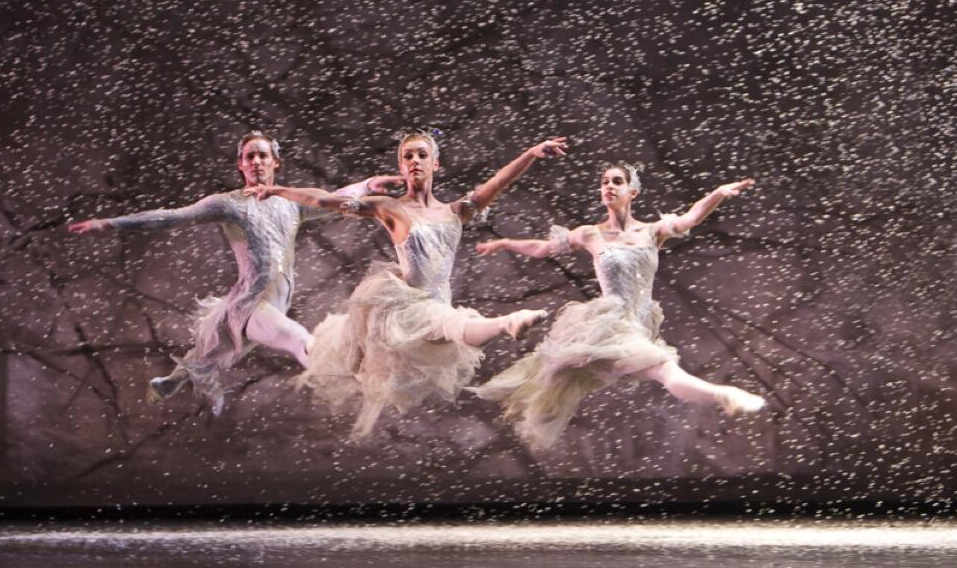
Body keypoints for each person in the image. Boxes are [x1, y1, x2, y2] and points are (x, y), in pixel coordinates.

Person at [246, 130, 568, 439]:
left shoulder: (457, 211)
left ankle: (502, 324)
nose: (415, 160)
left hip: (438, 303)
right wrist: (278, 191)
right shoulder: (391, 208)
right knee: (449, 325)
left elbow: (498, 182)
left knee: (450, 324)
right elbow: (326, 201)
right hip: (405, 310)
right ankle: (507, 323)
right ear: (401, 166)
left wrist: (530, 154)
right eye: (408, 156)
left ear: (435, 164)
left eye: (422, 155)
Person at [68, 131, 402, 415]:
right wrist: (111, 223)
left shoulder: (292, 202)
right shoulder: (228, 204)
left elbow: (336, 198)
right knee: (297, 338)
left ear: (275, 163)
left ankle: (171, 381)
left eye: (262, 156)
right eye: (249, 157)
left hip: (274, 302)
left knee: (213, 349)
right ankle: (360, 377)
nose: (256, 162)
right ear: (241, 164)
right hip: (252, 303)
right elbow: (171, 216)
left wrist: (368, 183)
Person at [469, 161, 766, 450]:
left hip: (639, 324)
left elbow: (690, 218)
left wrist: (717, 193)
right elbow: (543, 248)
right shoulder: (590, 233)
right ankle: (725, 394)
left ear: (632, 192)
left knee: (663, 371)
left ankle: (725, 395)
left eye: (616, 182)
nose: (608, 186)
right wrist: (506, 242)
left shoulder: (652, 232)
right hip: (610, 323)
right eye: (604, 182)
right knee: (656, 370)